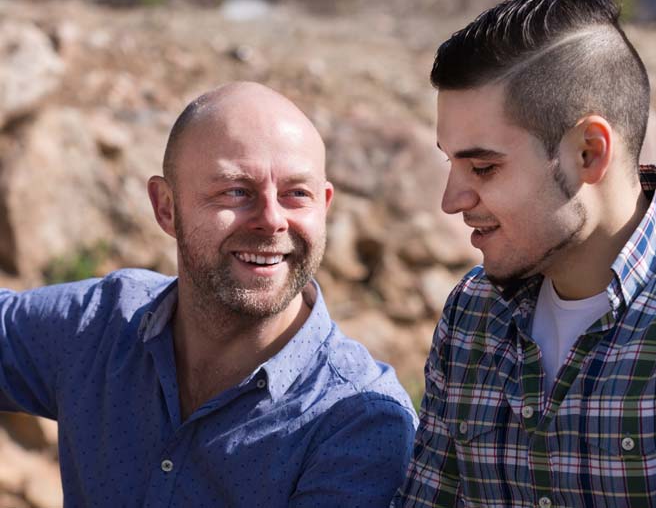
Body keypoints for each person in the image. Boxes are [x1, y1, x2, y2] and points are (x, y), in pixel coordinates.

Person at [0, 82, 417, 507]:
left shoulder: (358, 422)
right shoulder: (99, 324)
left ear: (324, 206)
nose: (272, 220)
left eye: (296, 194)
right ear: (166, 207)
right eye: (236, 191)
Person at [394, 0, 656, 508]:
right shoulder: (472, 314)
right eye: (450, 162)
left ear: (588, 153)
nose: (451, 201)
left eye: (484, 167)